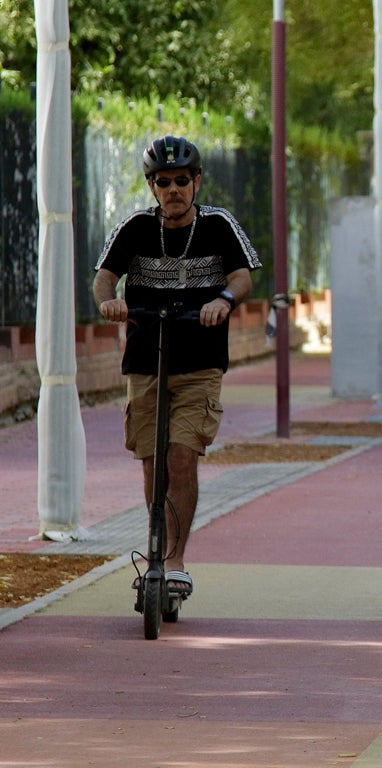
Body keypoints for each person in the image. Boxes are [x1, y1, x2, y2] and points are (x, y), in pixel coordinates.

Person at [93, 135, 262, 598]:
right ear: (151, 186)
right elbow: (104, 276)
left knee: (182, 457)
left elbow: (242, 276)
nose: (173, 189)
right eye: (163, 181)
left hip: (199, 362)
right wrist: (110, 303)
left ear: (197, 181)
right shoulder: (133, 228)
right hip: (146, 362)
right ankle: (154, 553)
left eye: (182, 181)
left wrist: (223, 301)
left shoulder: (219, 225)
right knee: (152, 463)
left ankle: (175, 560)